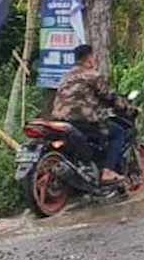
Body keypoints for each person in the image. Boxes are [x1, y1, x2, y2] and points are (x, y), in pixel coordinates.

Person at [52, 44, 137, 184]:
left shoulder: (66, 77)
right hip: (85, 121)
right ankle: (108, 171)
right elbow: (110, 97)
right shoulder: (92, 75)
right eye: (94, 57)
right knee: (118, 133)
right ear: (90, 58)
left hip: (61, 120)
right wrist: (128, 109)